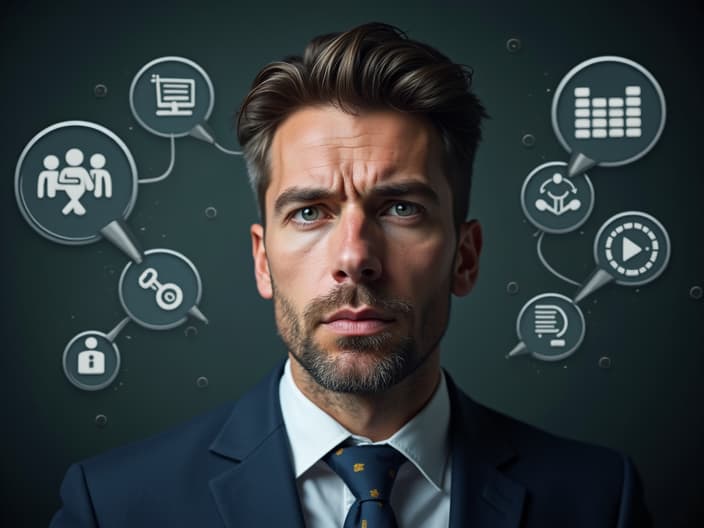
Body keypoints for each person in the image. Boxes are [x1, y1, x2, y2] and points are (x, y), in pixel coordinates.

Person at [50, 22, 651, 527]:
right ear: (262, 259)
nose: (354, 256)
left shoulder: (599, 500)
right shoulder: (114, 507)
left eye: (401, 208)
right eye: (310, 212)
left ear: (465, 257)